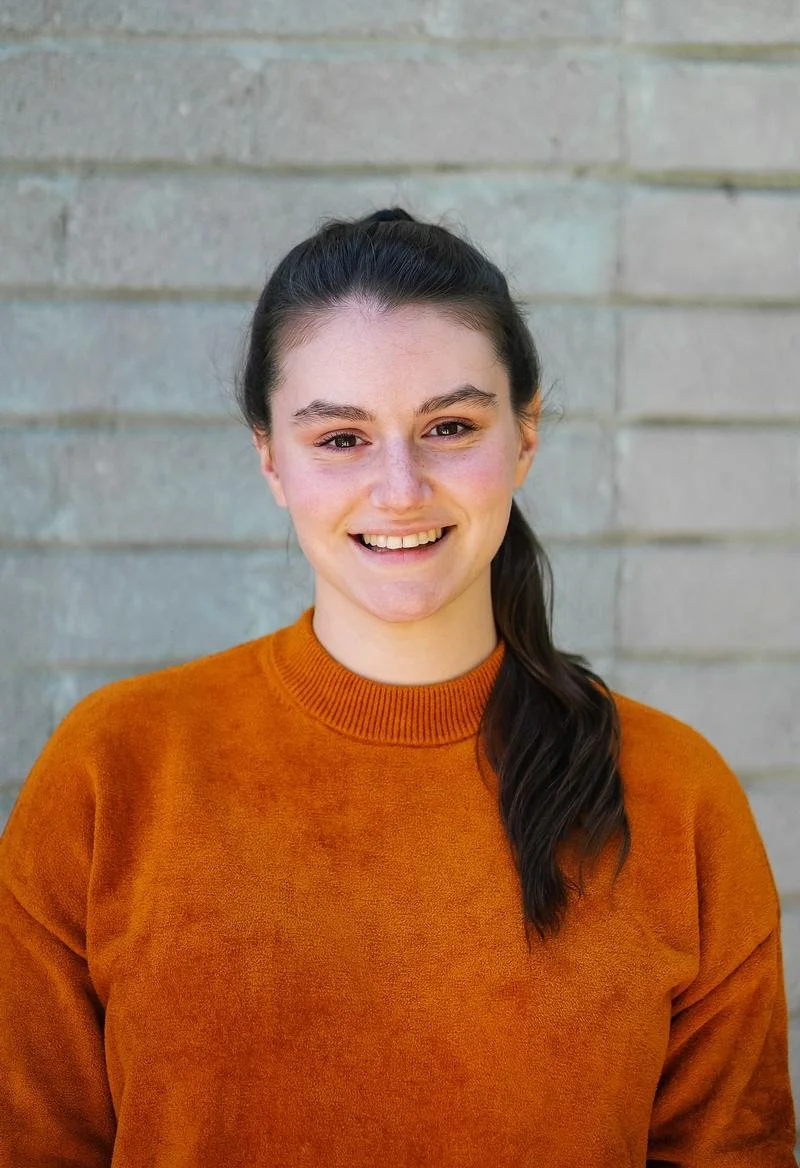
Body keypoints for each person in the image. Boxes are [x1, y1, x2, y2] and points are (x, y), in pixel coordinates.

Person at [0, 208, 795, 1167]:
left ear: (525, 437)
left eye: (449, 427)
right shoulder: (115, 769)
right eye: (340, 438)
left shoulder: (675, 795)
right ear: (270, 460)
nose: (400, 488)